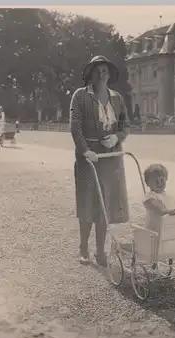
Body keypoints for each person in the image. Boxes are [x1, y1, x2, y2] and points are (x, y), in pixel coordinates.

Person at [70, 55, 130, 267]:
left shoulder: (117, 98)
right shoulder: (80, 96)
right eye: (97, 70)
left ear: (110, 74)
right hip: (89, 159)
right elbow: (75, 127)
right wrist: (85, 151)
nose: (101, 74)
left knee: (105, 205)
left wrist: (117, 137)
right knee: (87, 203)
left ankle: (100, 250)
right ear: (91, 74)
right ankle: (83, 248)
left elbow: (125, 126)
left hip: (110, 158)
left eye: (105, 70)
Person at [143, 164, 175, 232]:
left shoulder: (164, 194)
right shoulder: (150, 196)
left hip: (163, 229)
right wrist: (168, 211)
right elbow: (155, 206)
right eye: (156, 181)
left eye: (162, 180)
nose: (159, 183)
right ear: (147, 183)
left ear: (166, 179)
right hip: (152, 231)